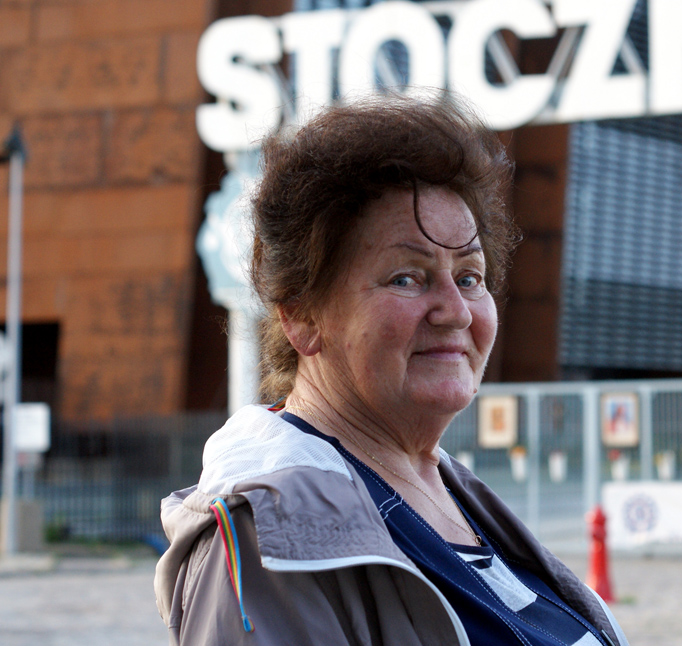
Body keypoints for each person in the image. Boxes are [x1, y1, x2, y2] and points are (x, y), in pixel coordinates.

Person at [153, 94, 629, 646]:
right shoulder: (267, 541)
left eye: (470, 277)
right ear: (301, 317)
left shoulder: (452, 492)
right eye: (407, 277)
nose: (456, 311)